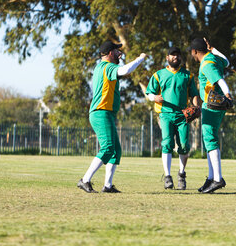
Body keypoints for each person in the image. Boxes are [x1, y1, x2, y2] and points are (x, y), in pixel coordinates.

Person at [77, 41, 146, 193]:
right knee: (108, 148)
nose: (119, 54)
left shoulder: (101, 67)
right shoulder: (107, 66)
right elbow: (126, 69)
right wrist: (140, 58)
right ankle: (85, 180)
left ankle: (108, 186)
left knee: (115, 150)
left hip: (105, 113)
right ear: (109, 53)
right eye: (116, 51)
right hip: (101, 112)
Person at [146, 46, 200, 190]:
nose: (175, 57)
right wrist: (155, 97)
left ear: (181, 58)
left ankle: (181, 174)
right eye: (172, 55)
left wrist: (196, 107)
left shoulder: (187, 75)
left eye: (177, 55)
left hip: (182, 115)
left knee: (183, 145)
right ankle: (168, 176)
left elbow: (194, 94)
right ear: (167, 58)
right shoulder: (159, 74)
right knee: (167, 143)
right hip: (165, 114)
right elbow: (149, 93)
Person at [188, 37, 232, 193]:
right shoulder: (214, 57)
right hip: (216, 105)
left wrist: (227, 93)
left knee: (210, 139)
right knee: (208, 140)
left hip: (212, 104)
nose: (192, 55)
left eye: (192, 52)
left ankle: (218, 179)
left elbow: (219, 80)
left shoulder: (206, 63)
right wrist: (213, 49)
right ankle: (212, 177)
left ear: (195, 51)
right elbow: (226, 62)